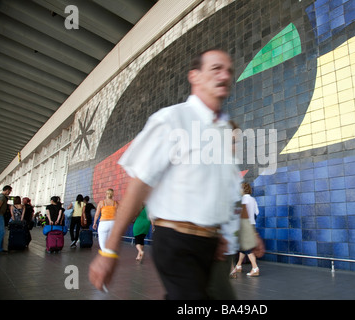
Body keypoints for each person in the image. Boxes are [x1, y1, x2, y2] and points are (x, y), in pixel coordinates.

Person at [89, 49, 251, 299]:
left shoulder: (221, 132)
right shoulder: (172, 119)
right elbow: (138, 186)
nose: (225, 75)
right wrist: (109, 251)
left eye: (229, 70)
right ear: (194, 76)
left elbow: (221, 192)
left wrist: (218, 233)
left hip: (210, 242)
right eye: (216, 68)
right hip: (177, 242)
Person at [234, 182, 260, 276]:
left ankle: (255, 268)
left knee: (247, 248)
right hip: (251, 225)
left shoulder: (243, 200)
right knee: (243, 247)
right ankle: (238, 266)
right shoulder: (253, 199)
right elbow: (256, 212)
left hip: (244, 226)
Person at [0, 185, 12, 253]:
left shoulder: (2, 196)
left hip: (0, 215)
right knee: (1, 232)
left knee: (0, 232)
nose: (9, 193)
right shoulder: (1, 197)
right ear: (7, 190)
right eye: (9, 191)